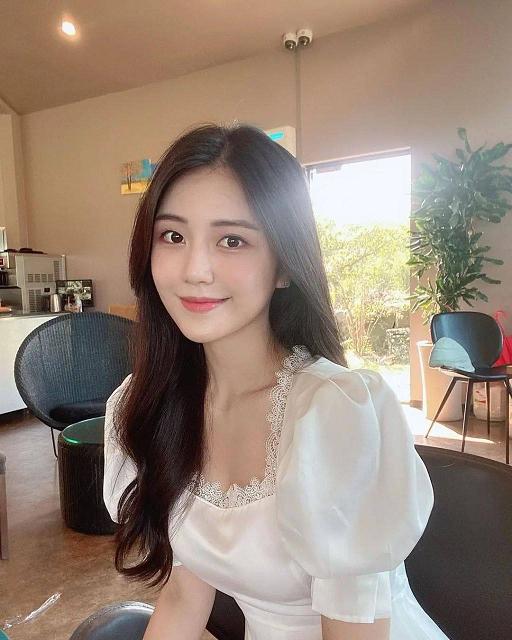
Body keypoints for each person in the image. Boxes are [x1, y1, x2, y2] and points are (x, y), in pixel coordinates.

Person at [103, 122, 450, 640]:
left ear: (284, 265)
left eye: (232, 240)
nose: (195, 269)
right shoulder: (150, 405)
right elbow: (183, 596)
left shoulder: (333, 415)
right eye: (173, 236)